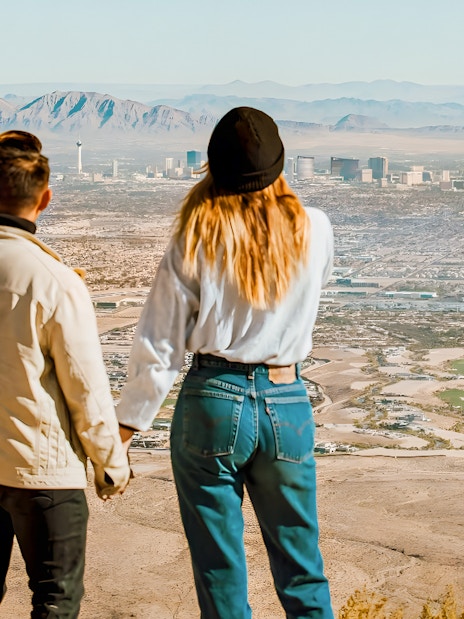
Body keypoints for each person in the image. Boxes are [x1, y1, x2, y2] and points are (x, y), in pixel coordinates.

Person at [117, 107, 334, 619]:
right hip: (287, 400)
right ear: (280, 165)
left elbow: (161, 342)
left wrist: (123, 430)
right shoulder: (316, 228)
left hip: (213, 401)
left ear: (212, 168)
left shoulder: (195, 235)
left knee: (220, 570)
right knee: (303, 566)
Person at [0, 131, 131, 618]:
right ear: (46, 198)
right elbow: (86, 388)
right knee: (55, 601)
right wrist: (110, 466)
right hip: (41, 470)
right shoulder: (52, 280)